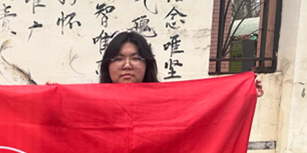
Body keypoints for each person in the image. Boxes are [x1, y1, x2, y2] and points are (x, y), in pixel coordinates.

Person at [99, 30, 263, 96]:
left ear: (147, 64)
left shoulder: (166, 101)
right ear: (107, 64)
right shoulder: (93, 103)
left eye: (135, 58)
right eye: (118, 59)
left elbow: (209, 113)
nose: (127, 65)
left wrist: (243, 93)